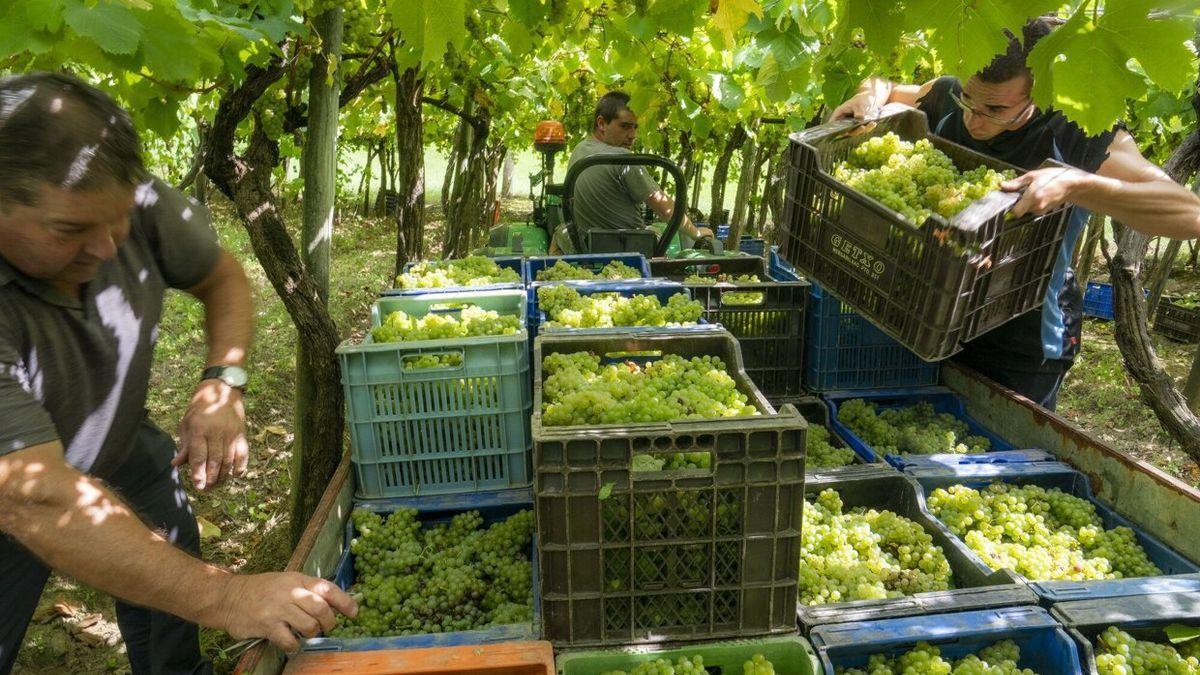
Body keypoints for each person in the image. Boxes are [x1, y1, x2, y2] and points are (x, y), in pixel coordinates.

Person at [0, 73, 355, 674]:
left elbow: (222, 278)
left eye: (116, 220)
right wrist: (227, 595)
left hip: (114, 440)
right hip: (20, 486)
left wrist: (224, 379)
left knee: (167, 535)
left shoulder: (129, 201)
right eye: (70, 230)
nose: (108, 248)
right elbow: (32, 495)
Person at [830, 17, 1200, 410]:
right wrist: (867, 94)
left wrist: (1078, 184)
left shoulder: (1077, 131)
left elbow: (1190, 214)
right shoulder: (947, 96)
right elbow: (884, 86)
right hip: (930, 317)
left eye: (996, 108)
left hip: (1022, 343)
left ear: (1040, 92)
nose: (974, 119)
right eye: (969, 100)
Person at [553, 91, 713, 253]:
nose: (632, 135)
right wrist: (696, 232)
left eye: (635, 127)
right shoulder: (624, 159)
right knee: (678, 236)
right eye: (625, 126)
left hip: (587, 245)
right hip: (629, 247)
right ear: (601, 123)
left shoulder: (579, 150)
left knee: (559, 231)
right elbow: (665, 209)